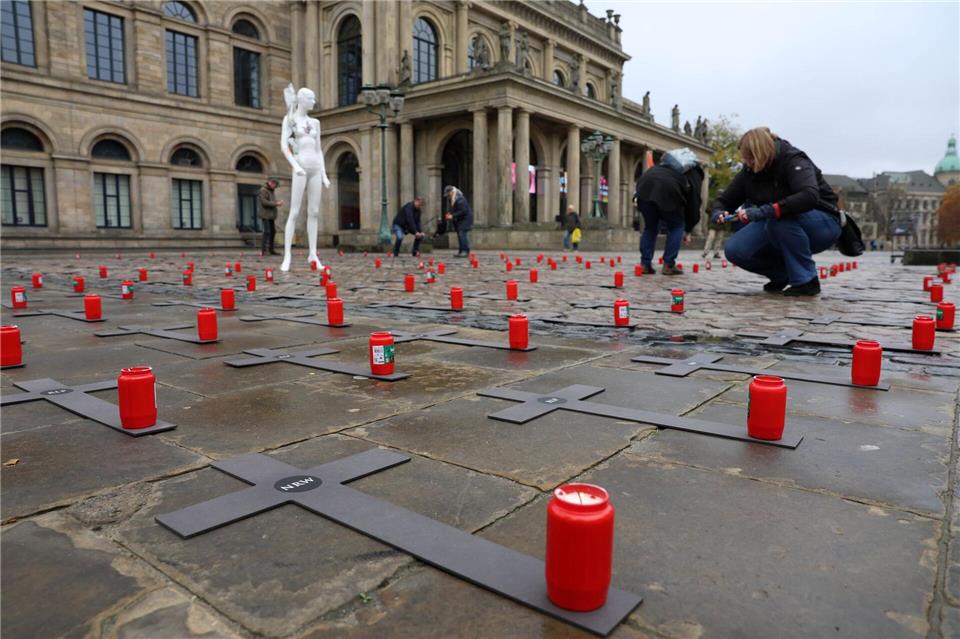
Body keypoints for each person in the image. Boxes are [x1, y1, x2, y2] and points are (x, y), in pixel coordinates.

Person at [713, 127, 841, 296]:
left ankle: (806, 280)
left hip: (822, 222)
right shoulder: (749, 171)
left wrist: (763, 211)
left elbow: (809, 196)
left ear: (761, 153)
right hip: (775, 221)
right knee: (735, 249)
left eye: (750, 158)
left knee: (779, 220)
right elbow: (725, 200)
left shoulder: (794, 160)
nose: (747, 163)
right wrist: (719, 212)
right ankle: (782, 274)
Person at [279, 84, 330, 272]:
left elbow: (319, 150)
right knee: (294, 211)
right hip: (300, 166)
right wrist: (295, 166)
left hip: (315, 167)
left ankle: (313, 254)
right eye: (311, 99)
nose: (314, 102)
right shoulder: (290, 120)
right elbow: (284, 146)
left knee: (314, 212)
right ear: (301, 100)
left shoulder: (315, 123)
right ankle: (287, 256)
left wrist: (324, 174)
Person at [634, 148, 704, 275]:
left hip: (644, 184)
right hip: (668, 189)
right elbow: (694, 202)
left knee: (650, 227)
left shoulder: (663, 167)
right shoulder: (694, 172)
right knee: (677, 225)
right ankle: (668, 265)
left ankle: (644, 264)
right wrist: (688, 227)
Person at [443, 185, 473, 257]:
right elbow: (454, 209)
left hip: (465, 219)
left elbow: (463, 211)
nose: (448, 196)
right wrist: (450, 213)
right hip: (460, 219)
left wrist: (452, 216)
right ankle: (461, 251)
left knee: (462, 234)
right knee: (460, 234)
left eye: (448, 194)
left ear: (452, 192)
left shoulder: (460, 199)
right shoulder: (453, 198)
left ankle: (465, 251)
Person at [258, 177, 284, 255]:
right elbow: (264, 202)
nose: (275, 187)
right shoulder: (263, 190)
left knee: (273, 232)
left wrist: (277, 202)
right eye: (275, 185)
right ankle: (264, 251)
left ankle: (271, 250)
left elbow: (270, 201)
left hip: (271, 215)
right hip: (265, 214)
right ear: (271, 183)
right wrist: (276, 203)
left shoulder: (271, 191)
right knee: (267, 232)